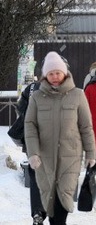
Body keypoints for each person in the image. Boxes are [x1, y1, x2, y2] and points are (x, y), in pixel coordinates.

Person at [24, 52, 96, 225]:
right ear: (45, 76)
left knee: (62, 202)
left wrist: (91, 154)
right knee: (48, 199)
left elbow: (86, 127)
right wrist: (33, 153)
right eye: (50, 73)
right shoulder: (37, 97)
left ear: (65, 73)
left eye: (58, 72)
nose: (55, 77)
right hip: (44, 159)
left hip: (69, 158)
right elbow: (30, 125)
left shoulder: (78, 95)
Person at [12, 74, 45, 224]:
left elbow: (20, 108)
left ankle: (38, 212)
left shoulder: (31, 88)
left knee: (35, 174)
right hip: (52, 141)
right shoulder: (62, 89)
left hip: (30, 139)